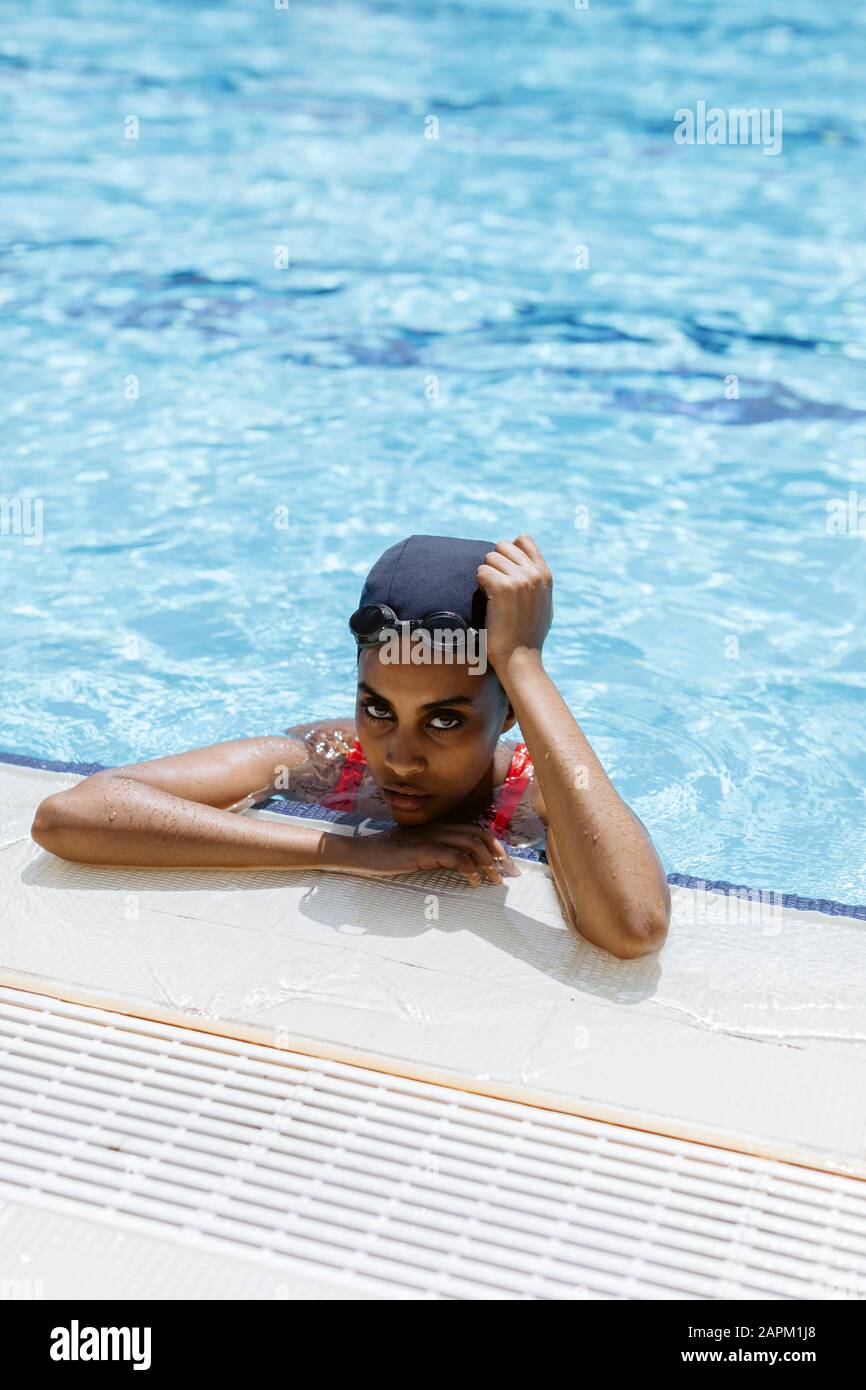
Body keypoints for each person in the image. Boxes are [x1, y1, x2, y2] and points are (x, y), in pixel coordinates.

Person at [31, 533, 670, 959]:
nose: (399, 757)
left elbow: (633, 926)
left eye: (445, 720)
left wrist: (523, 661)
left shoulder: (537, 795)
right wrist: (351, 852)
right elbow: (71, 816)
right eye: (378, 709)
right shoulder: (334, 761)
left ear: (510, 715)